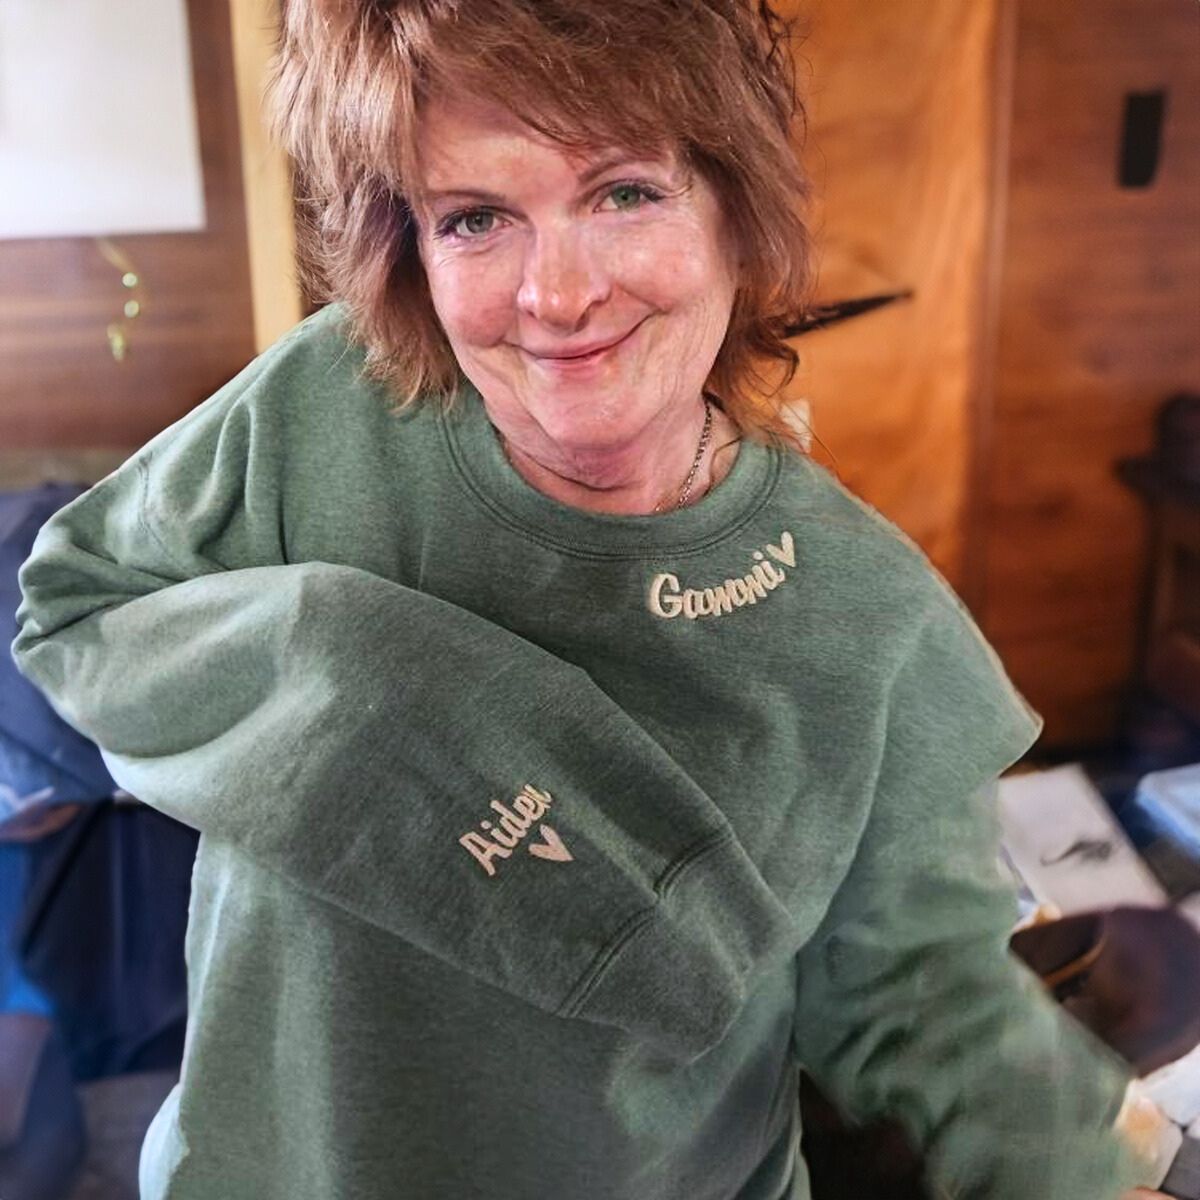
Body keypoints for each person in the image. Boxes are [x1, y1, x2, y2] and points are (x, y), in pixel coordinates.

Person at [9, 2, 1166, 1197]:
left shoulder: (874, 624)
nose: (556, 296)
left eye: (625, 192)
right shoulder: (322, 412)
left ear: (735, 207)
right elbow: (74, 607)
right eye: (476, 218)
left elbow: (932, 1011)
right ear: (409, 241)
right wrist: (354, 675)